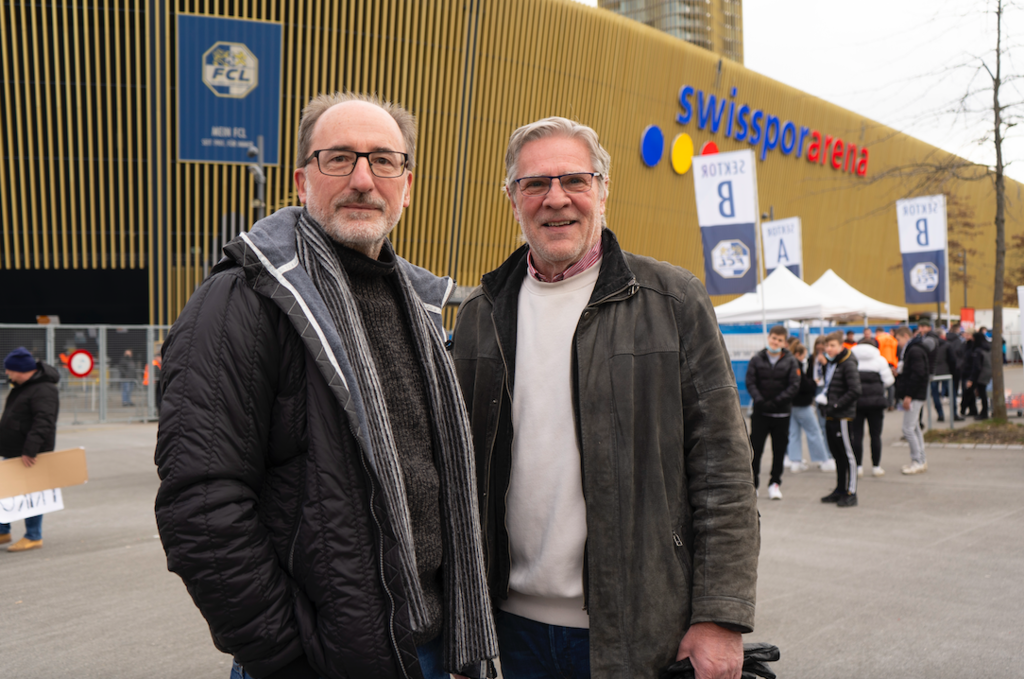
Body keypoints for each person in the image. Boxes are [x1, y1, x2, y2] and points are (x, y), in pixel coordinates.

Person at [154, 92, 497, 679]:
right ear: (301, 180)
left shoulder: (422, 307)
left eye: (384, 161)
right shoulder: (244, 299)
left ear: (406, 185)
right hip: (322, 656)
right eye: (338, 158)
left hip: (432, 649)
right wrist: (287, 655)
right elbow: (201, 504)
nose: (363, 179)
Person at [451, 117, 759, 679]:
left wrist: (721, 617)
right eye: (535, 184)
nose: (556, 199)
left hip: (640, 629)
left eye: (575, 180)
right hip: (507, 631)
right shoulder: (480, 315)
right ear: (512, 199)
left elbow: (724, 472)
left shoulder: (672, 301)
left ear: (604, 189)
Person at [0, 347, 60, 552]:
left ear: (20, 370)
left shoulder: (44, 389)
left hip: (29, 453)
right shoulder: (24, 385)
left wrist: (30, 450)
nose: (7, 373)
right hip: (16, 448)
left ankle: (33, 536)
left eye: (9, 370)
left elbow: (44, 422)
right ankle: (2, 530)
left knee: (31, 494)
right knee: (6, 491)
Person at [745, 325, 800, 499]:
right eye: (774, 338)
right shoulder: (757, 359)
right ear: (769, 338)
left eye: (780, 340)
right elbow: (750, 381)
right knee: (756, 450)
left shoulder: (791, 361)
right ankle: (753, 485)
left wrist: (777, 402)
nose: (775, 342)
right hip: (761, 413)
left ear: (785, 343)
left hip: (781, 414)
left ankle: (775, 483)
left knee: (779, 450)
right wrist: (760, 400)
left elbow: (794, 386)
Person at [816, 332, 861, 507]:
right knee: (837, 455)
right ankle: (840, 489)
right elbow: (828, 387)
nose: (829, 349)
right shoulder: (832, 363)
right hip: (831, 413)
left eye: (832, 345)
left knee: (848, 455)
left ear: (841, 346)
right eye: (827, 346)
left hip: (843, 415)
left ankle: (852, 492)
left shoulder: (848, 363)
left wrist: (836, 405)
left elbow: (855, 390)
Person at [786, 342, 831, 473]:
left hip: (791, 404)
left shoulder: (788, 364)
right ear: (798, 354)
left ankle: (795, 461)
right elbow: (803, 385)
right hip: (802, 404)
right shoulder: (796, 366)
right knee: (814, 431)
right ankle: (823, 460)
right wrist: (813, 383)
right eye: (803, 355)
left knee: (794, 433)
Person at [850, 342, 894, 477]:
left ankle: (858, 467)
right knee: (875, 435)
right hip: (876, 403)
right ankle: (876, 466)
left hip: (857, 402)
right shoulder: (880, 360)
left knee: (857, 435)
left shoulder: (852, 360)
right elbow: (889, 381)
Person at [894, 326, 930, 474]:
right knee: (913, 427)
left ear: (905, 336)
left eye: (898, 339)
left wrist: (908, 395)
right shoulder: (914, 349)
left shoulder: (913, 351)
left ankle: (918, 461)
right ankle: (920, 459)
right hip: (916, 394)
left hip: (915, 395)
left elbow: (918, 374)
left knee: (908, 429)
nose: (898, 343)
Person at [811, 336, 837, 473]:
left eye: (823, 348)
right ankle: (824, 455)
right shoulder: (812, 358)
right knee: (820, 426)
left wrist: (825, 364)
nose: (820, 351)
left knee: (826, 425)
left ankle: (830, 454)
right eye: (818, 348)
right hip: (816, 389)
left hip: (826, 391)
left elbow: (832, 376)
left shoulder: (831, 361)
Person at [966, 330, 993, 420]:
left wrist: (971, 379)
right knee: (983, 393)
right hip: (987, 372)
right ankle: (984, 411)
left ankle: (984, 413)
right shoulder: (987, 348)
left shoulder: (978, 350)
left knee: (982, 393)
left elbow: (976, 367)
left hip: (981, 374)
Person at [945, 323, 966, 421]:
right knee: (954, 391)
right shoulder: (958, 341)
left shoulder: (946, 340)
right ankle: (954, 414)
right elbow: (960, 356)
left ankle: (947, 413)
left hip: (946, 369)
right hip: (956, 370)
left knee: (950, 392)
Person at [875, 327, 898, 410]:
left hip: (882, 362)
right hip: (892, 363)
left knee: (882, 383)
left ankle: (883, 403)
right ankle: (891, 404)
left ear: (877, 332)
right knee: (891, 384)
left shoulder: (878, 339)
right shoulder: (893, 339)